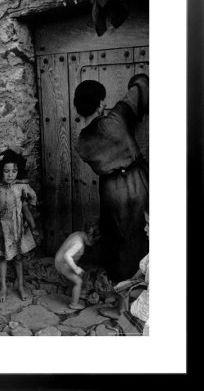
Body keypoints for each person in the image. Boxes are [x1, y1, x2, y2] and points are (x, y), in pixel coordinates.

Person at [74, 73, 149, 281]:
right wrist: (137, 78)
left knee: (118, 236)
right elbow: (139, 87)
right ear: (99, 104)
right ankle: (145, 279)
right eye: (102, 100)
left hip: (111, 191)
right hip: (138, 181)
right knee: (145, 230)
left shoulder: (80, 142)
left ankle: (121, 282)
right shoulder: (116, 119)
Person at [0, 149, 39, 302]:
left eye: (14, 171)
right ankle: (3, 287)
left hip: (16, 228)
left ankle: (20, 285)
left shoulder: (21, 187)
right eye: (6, 171)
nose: (10, 174)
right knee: (2, 257)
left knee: (18, 258)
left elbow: (25, 208)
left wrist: (33, 226)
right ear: (1, 171)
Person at [55, 227, 99, 309]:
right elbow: (67, 256)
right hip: (62, 263)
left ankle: (72, 292)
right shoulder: (79, 244)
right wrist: (76, 268)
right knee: (78, 281)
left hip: (60, 259)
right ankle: (73, 304)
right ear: (89, 237)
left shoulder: (78, 233)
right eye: (93, 241)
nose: (92, 244)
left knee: (78, 275)